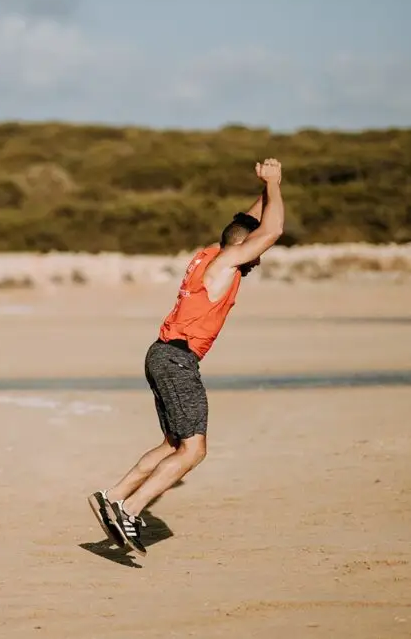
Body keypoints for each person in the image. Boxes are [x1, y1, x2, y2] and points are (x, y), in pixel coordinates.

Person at [88, 158, 285, 555]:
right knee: (194, 450)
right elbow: (272, 230)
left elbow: (246, 224)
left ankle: (114, 496)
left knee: (172, 444)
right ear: (242, 248)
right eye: (255, 252)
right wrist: (276, 184)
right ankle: (130, 510)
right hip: (177, 360)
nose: (259, 258)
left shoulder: (210, 253)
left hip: (162, 355)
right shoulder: (225, 263)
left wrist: (266, 187)